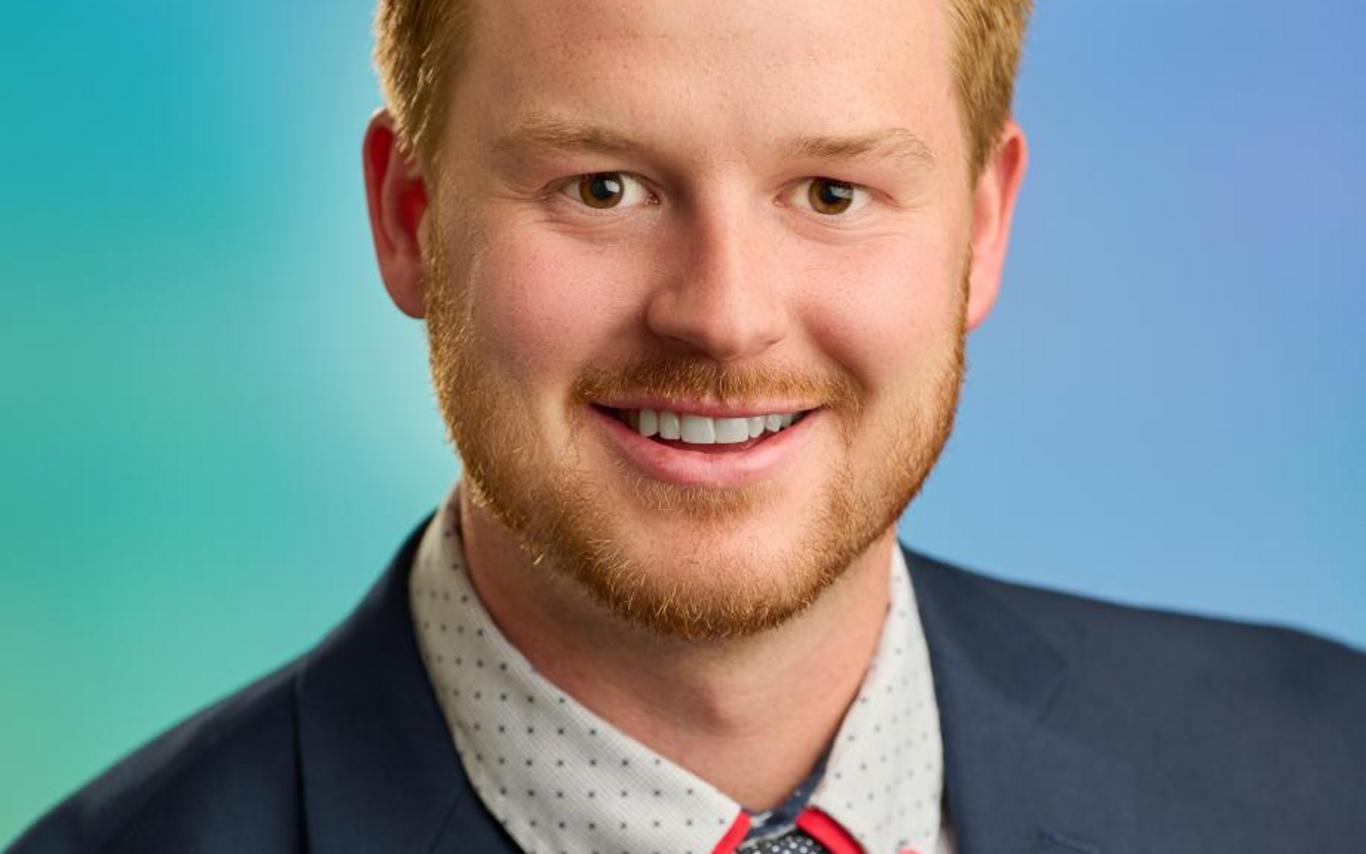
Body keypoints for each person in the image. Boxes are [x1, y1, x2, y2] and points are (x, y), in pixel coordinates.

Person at [11, 1, 1365, 852]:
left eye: (830, 193)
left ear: (983, 227)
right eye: (602, 187)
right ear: (409, 219)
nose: (723, 317)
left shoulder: (1327, 771)